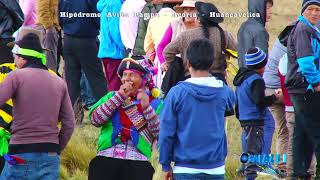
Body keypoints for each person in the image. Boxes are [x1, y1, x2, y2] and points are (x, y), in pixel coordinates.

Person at [0, 33, 75, 179]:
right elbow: (69, 124)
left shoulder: (15, 76)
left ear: (22, 57)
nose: (14, 62)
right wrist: (57, 147)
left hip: (21, 152)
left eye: (15, 57)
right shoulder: (59, 82)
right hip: (50, 155)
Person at [159, 38, 235, 180]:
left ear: (187, 62)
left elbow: (166, 131)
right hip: (216, 169)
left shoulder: (176, 93)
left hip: (184, 168)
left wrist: (165, 164)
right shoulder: (224, 92)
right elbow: (231, 102)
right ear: (211, 63)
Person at [88, 56, 162, 180]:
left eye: (132, 75)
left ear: (145, 79)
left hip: (138, 162)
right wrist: (119, 97)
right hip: (106, 157)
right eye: (124, 75)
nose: (127, 79)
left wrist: (146, 108)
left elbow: (161, 134)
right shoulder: (112, 96)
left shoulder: (155, 104)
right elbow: (95, 120)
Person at [233, 47, 280, 180]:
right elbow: (259, 101)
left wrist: (240, 119)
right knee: (254, 153)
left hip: (245, 120)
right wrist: (273, 98)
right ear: (261, 65)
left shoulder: (241, 79)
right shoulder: (256, 80)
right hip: (255, 120)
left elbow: (238, 102)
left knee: (249, 150)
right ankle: (251, 177)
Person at [285, 0, 320, 178]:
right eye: (310, 9)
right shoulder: (303, 29)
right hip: (305, 88)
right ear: (303, 11)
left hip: (300, 88)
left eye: (318, 10)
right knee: (316, 132)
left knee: (301, 133)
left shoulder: (310, 29)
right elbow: (306, 62)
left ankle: (298, 174)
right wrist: (317, 84)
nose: (314, 13)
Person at [163, 1, 237, 84]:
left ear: (198, 19)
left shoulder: (185, 35)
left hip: (191, 79)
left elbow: (167, 51)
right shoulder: (224, 34)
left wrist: (171, 64)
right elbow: (239, 51)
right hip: (219, 81)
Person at [59, 0, 108, 106]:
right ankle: (107, 112)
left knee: (72, 80)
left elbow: (60, 15)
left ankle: (72, 115)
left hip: (68, 38)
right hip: (86, 39)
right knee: (96, 78)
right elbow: (96, 17)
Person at [156, 0, 198, 91]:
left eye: (192, 9)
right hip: (176, 69)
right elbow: (161, 46)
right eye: (186, 9)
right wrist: (163, 62)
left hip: (197, 70)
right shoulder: (175, 24)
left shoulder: (203, 27)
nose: (188, 12)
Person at [98, 0, 126, 91]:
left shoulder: (106, 3)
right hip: (115, 52)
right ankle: (114, 105)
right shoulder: (115, 4)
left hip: (106, 49)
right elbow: (115, 31)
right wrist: (124, 48)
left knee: (111, 83)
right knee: (115, 86)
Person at [237, 0, 273, 68]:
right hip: (254, 75)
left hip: (242, 74)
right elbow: (262, 61)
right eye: (267, 8)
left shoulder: (243, 26)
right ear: (259, 8)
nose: (270, 12)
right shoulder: (260, 31)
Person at [35, 0, 60, 72]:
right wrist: (49, 26)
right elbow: (42, 9)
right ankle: (49, 81)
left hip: (54, 27)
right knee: (49, 60)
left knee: (53, 59)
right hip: (47, 28)